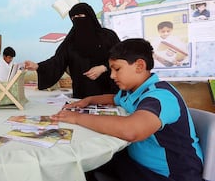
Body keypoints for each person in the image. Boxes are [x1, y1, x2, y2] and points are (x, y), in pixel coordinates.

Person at [51, 38, 203, 181]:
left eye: (117, 69)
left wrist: (77, 118)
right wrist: (87, 101)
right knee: (86, 164)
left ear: (139, 66)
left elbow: (131, 130)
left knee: (88, 169)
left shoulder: (161, 96)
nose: (112, 75)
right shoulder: (131, 91)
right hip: (136, 162)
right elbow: (113, 98)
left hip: (169, 174)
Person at [24, 3, 120, 99]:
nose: (77, 19)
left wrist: (103, 67)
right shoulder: (70, 41)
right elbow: (57, 61)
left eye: (80, 16)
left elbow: (121, 58)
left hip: (108, 92)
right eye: (73, 18)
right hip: (82, 94)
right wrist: (37, 66)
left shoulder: (108, 36)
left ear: (90, 16)